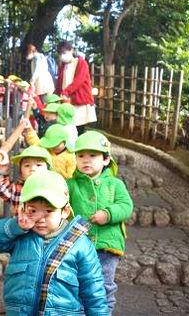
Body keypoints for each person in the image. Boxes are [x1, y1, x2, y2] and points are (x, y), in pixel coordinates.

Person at [0, 171, 109, 316]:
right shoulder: (20, 236)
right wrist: (16, 226)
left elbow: (94, 292)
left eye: (48, 211)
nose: (40, 218)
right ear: (23, 209)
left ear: (65, 211)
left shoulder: (80, 244)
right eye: (33, 210)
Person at [66, 131, 134, 314]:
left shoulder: (115, 184)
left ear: (106, 160)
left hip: (106, 246)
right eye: (81, 156)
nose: (86, 160)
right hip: (78, 245)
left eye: (93, 155)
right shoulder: (71, 184)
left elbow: (126, 206)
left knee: (103, 285)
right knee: (79, 283)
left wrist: (108, 214)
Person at [0, 146, 52, 216]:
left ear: (48, 169)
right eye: (27, 165)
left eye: (38, 165)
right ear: (21, 172)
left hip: (45, 226)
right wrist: (2, 166)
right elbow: (0, 187)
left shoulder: (53, 187)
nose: (32, 169)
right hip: (21, 226)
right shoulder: (18, 189)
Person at [55, 41, 97, 135]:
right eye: (60, 53)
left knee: (78, 127)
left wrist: (66, 92)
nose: (62, 55)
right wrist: (56, 96)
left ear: (71, 51)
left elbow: (79, 80)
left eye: (64, 52)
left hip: (79, 100)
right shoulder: (62, 66)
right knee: (68, 128)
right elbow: (59, 84)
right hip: (66, 101)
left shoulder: (81, 63)